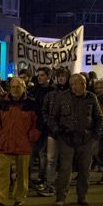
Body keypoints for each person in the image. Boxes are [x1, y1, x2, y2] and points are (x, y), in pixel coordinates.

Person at [48, 73, 103, 206]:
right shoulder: (62, 97)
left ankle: (82, 195)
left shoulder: (91, 97)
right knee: (65, 169)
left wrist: (95, 135)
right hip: (66, 139)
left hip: (86, 139)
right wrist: (57, 132)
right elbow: (53, 117)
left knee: (85, 169)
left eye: (84, 83)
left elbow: (99, 117)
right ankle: (61, 198)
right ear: (72, 85)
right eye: (81, 83)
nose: (84, 86)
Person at [0, 78, 40, 206]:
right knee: (2, 172)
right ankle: (0, 198)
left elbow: (38, 123)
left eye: (18, 87)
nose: (15, 89)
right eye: (13, 87)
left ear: (24, 88)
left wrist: (32, 136)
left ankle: (19, 197)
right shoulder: (2, 104)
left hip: (23, 143)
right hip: (5, 142)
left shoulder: (31, 104)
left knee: (22, 173)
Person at [40, 67, 70, 197]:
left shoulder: (72, 94)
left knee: (65, 161)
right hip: (53, 132)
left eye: (63, 76)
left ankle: (63, 188)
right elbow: (45, 112)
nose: (61, 78)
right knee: (51, 160)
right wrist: (51, 125)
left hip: (67, 133)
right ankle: (50, 185)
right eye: (59, 76)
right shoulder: (51, 94)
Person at [29, 67, 54, 194]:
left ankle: (42, 178)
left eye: (42, 75)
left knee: (43, 155)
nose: (39, 77)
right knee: (32, 153)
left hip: (47, 127)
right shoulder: (34, 90)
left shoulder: (53, 91)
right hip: (34, 126)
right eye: (38, 75)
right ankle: (27, 179)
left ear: (48, 76)